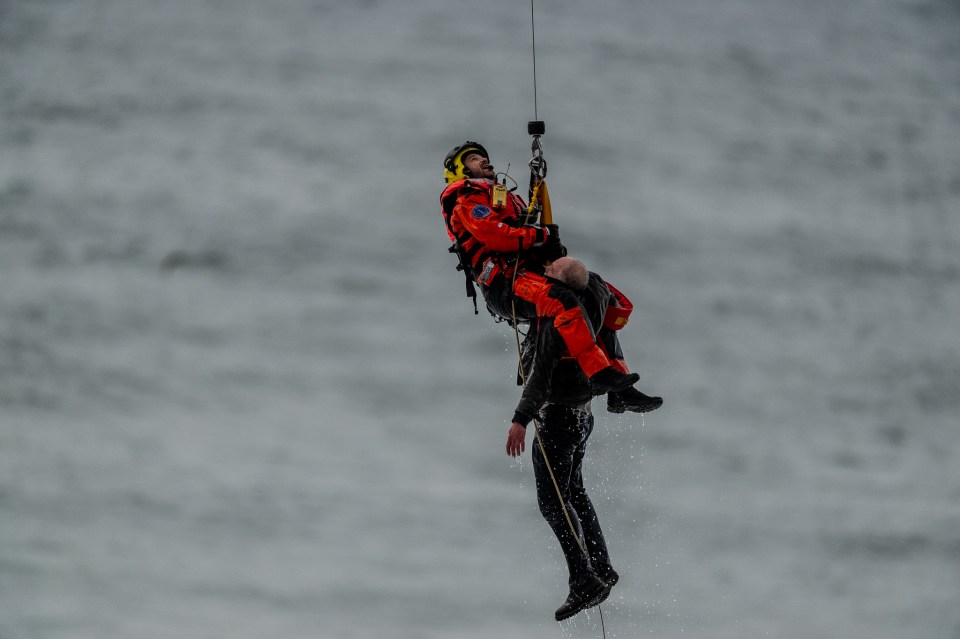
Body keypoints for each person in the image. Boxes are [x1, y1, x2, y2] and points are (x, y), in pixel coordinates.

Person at [441, 141, 660, 413]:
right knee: (561, 300)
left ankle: (621, 389)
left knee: (596, 289)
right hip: (504, 284)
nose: (484, 161)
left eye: (484, 157)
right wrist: (541, 236)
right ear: (459, 171)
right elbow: (496, 237)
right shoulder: (466, 199)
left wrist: (550, 243)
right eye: (474, 159)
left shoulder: (508, 199)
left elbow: (533, 236)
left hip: (529, 275)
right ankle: (597, 372)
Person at [504, 257, 659, 621]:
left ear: (560, 285)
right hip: (581, 418)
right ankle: (601, 568)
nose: (544, 273)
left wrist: (519, 421)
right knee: (574, 493)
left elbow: (540, 377)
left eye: (549, 271)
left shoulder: (557, 322)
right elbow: (585, 278)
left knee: (553, 503)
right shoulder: (594, 299)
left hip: (557, 421)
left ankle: (583, 579)